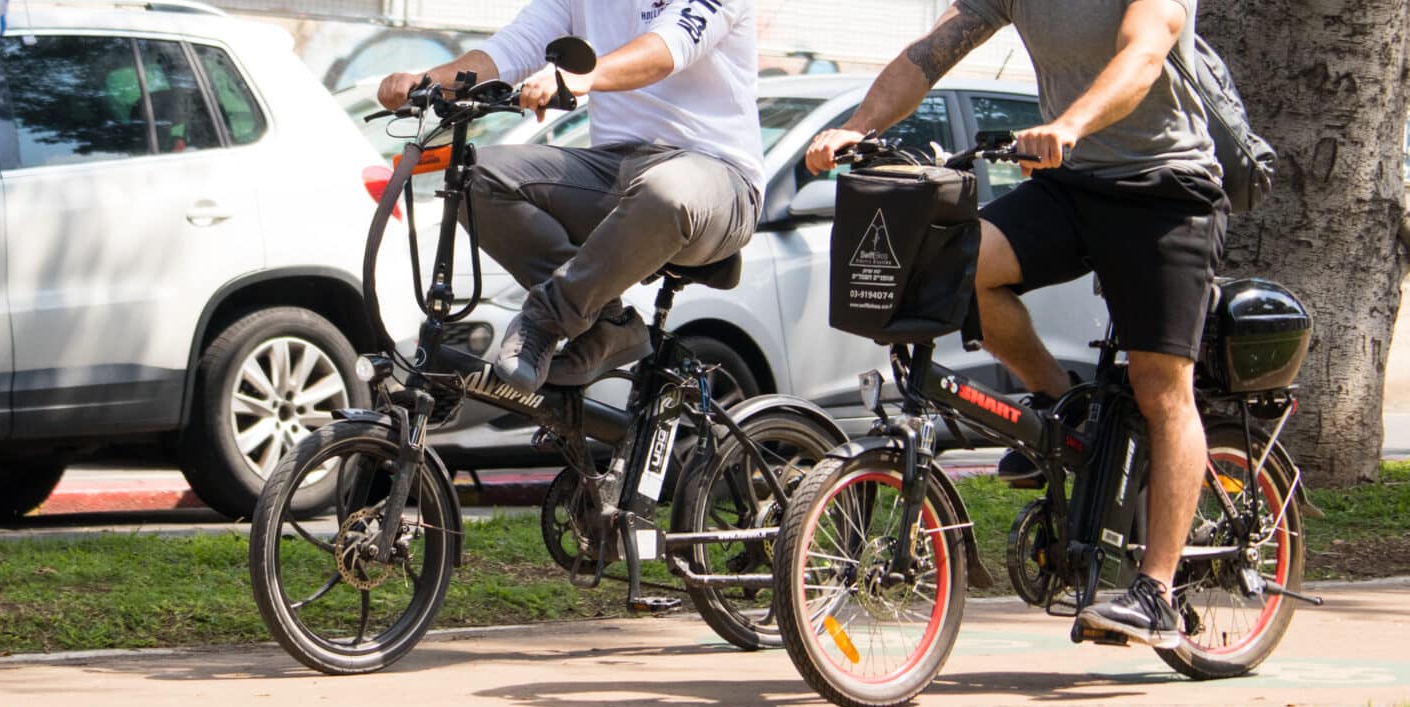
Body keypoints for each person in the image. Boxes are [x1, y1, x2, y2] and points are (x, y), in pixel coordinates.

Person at [805, 0, 1226, 650]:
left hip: (1165, 188)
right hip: (1072, 182)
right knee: (963, 263)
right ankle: (1065, 412)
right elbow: (929, 54)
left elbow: (1144, 53)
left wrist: (1069, 124)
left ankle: (1157, 591)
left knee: (1159, 384)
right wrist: (857, 127)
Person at [377, 0, 763, 394]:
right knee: (476, 178)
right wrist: (426, 79)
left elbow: (668, 47)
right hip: (616, 171)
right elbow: (514, 48)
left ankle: (546, 319)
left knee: (665, 192)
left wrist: (586, 76)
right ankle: (605, 324)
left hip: (718, 180)